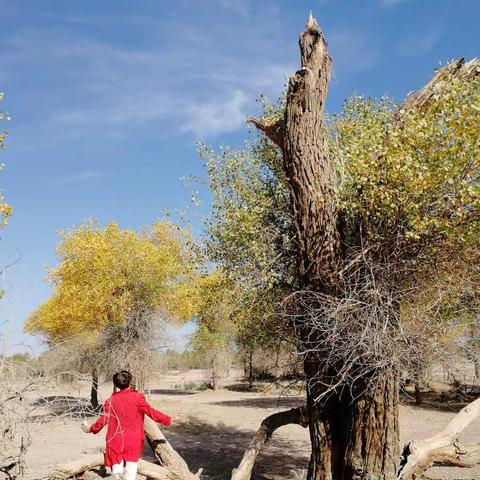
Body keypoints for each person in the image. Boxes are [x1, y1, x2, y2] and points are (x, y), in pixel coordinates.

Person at [82, 370, 171, 480]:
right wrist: (168, 420)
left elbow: (102, 420)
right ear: (129, 382)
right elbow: (152, 413)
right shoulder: (138, 398)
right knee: (130, 473)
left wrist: (91, 429)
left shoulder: (110, 401)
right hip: (133, 440)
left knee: (116, 474)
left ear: (115, 384)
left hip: (115, 440)